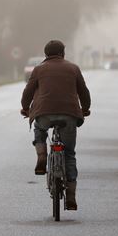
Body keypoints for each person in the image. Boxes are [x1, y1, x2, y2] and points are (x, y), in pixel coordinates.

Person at [20, 40, 91, 210]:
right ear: (63, 53)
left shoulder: (38, 69)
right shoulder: (73, 68)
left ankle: (42, 154)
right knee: (69, 154)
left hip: (44, 114)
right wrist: (85, 109)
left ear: (46, 54)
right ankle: (71, 196)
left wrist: (25, 108)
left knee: (39, 128)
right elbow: (83, 91)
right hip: (69, 115)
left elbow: (28, 91)